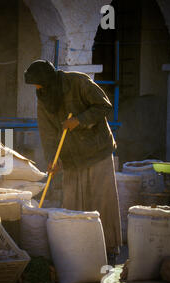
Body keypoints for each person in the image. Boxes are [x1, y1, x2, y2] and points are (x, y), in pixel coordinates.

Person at [24, 59, 122, 265]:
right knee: (72, 203)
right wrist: (53, 159)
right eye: (35, 86)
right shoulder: (44, 97)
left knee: (101, 200)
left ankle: (109, 248)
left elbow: (104, 105)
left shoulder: (78, 82)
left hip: (97, 150)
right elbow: (48, 132)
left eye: (39, 84)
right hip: (71, 157)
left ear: (49, 80)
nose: (37, 88)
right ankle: (79, 248)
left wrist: (79, 120)